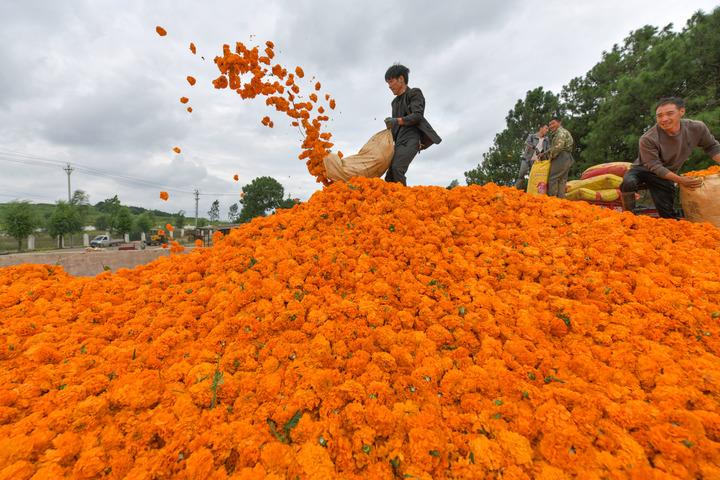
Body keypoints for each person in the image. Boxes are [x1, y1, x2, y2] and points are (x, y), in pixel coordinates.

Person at [620, 97, 720, 218]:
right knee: (628, 181)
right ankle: (628, 216)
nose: (664, 119)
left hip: (666, 173)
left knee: (668, 216)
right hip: (643, 169)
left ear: (681, 111)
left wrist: (677, 179)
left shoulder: (696, 128)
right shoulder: (648, 138)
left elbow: (712, 147)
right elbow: (655, 166)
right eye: (659, 116)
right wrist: (680, 180)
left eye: (669, 113)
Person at [383, 64, 441, 186]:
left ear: (401, 79)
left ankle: (403, 201)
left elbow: (417, 116)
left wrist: (396, 121)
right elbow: (395, 126)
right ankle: (389, 203)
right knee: (389, 176)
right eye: (388, 83)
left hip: (412, 139)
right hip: (398, 141)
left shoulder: (414, 93)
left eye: (391, 81)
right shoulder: (394, 103)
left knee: (398, 168)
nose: (389, 86)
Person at [539, 116, 574, 198]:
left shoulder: (560, 133)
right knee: (562, 180)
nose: (551, 126)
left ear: (559, 123)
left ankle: (552, 201)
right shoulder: (561, 132)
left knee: (553, 179)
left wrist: (550, 158)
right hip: (567, 158)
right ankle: (561, 201)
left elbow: (558, 147)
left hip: (561, 157)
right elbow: (555, 146)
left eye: (553, 123)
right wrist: (544, 153)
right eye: (549, 124)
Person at [515, 124, 549, 189]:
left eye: (548, 129)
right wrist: (535, 148)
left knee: (534, 178)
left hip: (536, 162)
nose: (547, 130)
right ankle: (515, 190)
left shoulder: (546, 140)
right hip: (527, 159)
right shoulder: (532, 136)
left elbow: (547, 150)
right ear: (541, 128)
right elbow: (527, 143)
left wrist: (543, 154)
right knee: (521, 175)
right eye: (546, 128)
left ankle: (531, 192)